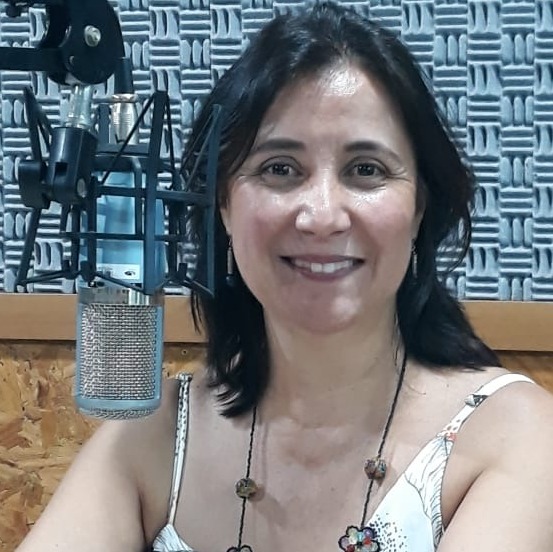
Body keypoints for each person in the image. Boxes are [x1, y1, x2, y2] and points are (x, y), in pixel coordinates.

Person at [16, 3, 553, 551]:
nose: (321, 216)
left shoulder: (512, 434)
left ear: (419, 209)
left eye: (365, 170)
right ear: (222, 205)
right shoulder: (153, 436)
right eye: (280, 169)